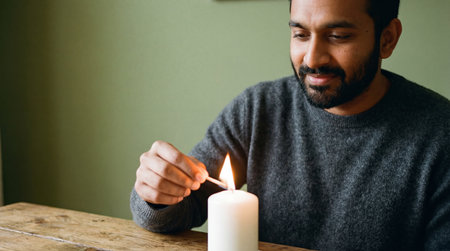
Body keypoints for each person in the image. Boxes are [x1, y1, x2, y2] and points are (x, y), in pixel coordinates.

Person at [130, 0, 450, 250]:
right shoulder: (259, 109)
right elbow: (180, 210)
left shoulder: (439, 136)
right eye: (300, 34)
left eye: (338, 36)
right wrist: (157, 192)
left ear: (387, 38)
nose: (313, 58)